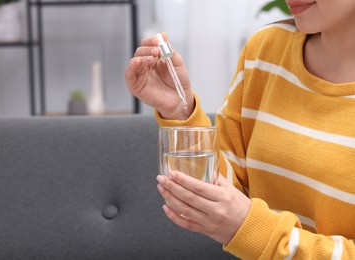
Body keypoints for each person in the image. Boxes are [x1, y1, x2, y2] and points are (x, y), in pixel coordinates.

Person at [125, 0, 355, 258]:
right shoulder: (266, 51)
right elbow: (228, 190)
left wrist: (250, 229)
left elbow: (241, 219)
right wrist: (181, 112)